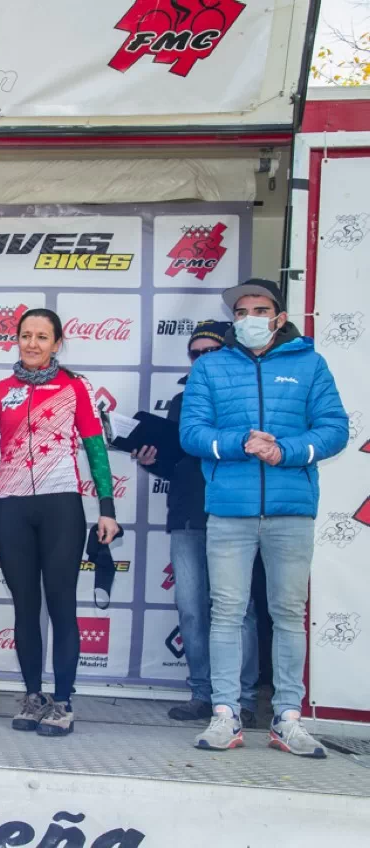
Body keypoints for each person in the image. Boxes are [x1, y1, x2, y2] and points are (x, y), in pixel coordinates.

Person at [180, 279, 348, 757]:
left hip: (291, 510)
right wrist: (239, 444)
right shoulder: (211, 367)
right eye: (241, 311)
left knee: (289, 615)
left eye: (259, 309)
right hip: (229, 511)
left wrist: (284, 450)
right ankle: (225, 715)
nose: (249, 317)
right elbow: (192, 433)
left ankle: (288, 718)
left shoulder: (311, 364)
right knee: (227, 613)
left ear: (278, 317)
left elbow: (335, 430)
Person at [0, 308, 120, 737]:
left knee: (61, 605)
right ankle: (33, 696)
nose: (32, 343)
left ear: (57, 343)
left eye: (42, 337)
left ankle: (63, 701)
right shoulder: (2, 389)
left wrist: (107, 508)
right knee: (25, 607)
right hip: (12, 505)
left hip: (61, 505)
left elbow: (95, 447)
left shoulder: (73, 386)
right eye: (26, 335)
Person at [132, 320, 260, 727]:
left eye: (211, 351)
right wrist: (154, 461)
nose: (202, 358)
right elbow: (179, 461)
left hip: (232, 514)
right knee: (190, 609)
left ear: (227, 351)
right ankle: (202, 693)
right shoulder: (179, 401)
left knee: (239, 611)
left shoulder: (246, 398)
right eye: (195, 353)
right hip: (186, 514)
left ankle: (244, 697)